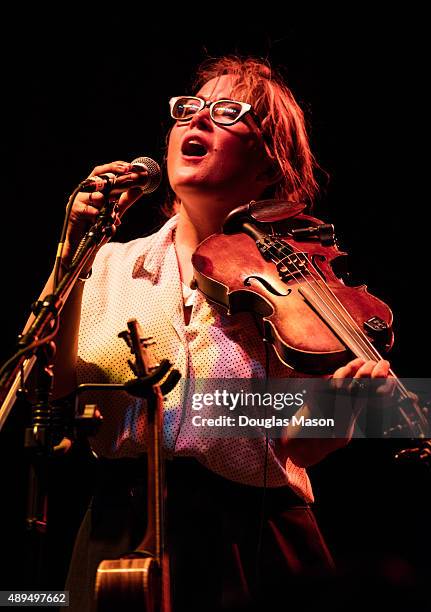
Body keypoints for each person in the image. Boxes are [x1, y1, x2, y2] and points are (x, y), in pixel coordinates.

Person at [38, 56, 391, 611]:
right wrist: (71, 251)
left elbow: (301, 447)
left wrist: (347, 411)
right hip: (117, 525)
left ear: (270, 165)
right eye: (189, 110)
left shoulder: (298, 283)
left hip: (249, 534)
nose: (197, 121)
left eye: (227, 113)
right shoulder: (105, 264)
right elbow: (46, 392)